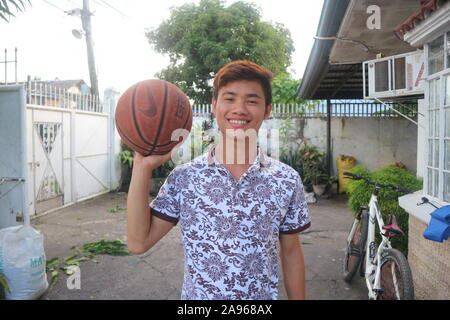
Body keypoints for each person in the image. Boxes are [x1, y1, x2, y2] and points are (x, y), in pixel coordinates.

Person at [126, 60, 311, 300]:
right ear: (214, 106)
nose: (240, 109)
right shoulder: (185, 178)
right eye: (230, 98)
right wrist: (142, 167)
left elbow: (291, 253)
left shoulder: (286, 179)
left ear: (267, 110)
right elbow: (138, 243)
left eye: (252, 100)